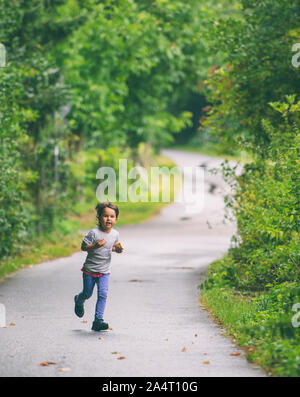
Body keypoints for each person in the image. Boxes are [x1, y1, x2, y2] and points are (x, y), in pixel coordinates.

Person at [74, 201, 124, 331]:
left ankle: (98, 320)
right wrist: (94, 246)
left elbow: (112, 248)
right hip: (89, 270)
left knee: (103, 295)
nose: (108, 219)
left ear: (116, 219)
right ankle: (79, 300)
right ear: (99, 218)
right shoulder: (93, 233)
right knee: (87, 293)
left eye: (112, 216)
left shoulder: (115, 234)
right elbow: (83, 247)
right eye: (105, 216)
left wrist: (117, 249)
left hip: (104, 272)